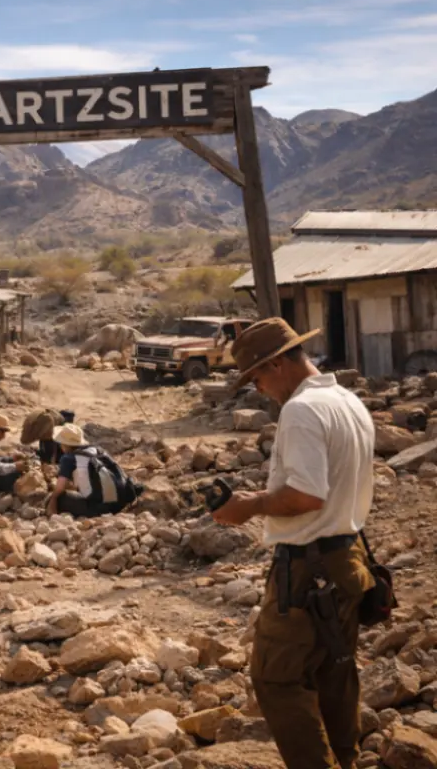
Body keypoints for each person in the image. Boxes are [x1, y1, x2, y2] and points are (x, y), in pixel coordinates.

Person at [210, 318, 375, 769]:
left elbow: (306, 495)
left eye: (259, 377)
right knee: (333, 668)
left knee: (276, 680)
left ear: (279, 364)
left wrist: (251, 505)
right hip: (348, 557)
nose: (260, 389)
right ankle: (346, 758)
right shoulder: (345, 399)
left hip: (309, 565)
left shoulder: (301, 411)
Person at [46, 423, 142, 519]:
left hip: (100, 509)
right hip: (121, 502)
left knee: (57, 498)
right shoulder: (97, 450)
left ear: (64, 444)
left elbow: (60, 488)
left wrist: (52, 501)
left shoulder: (68, 458)